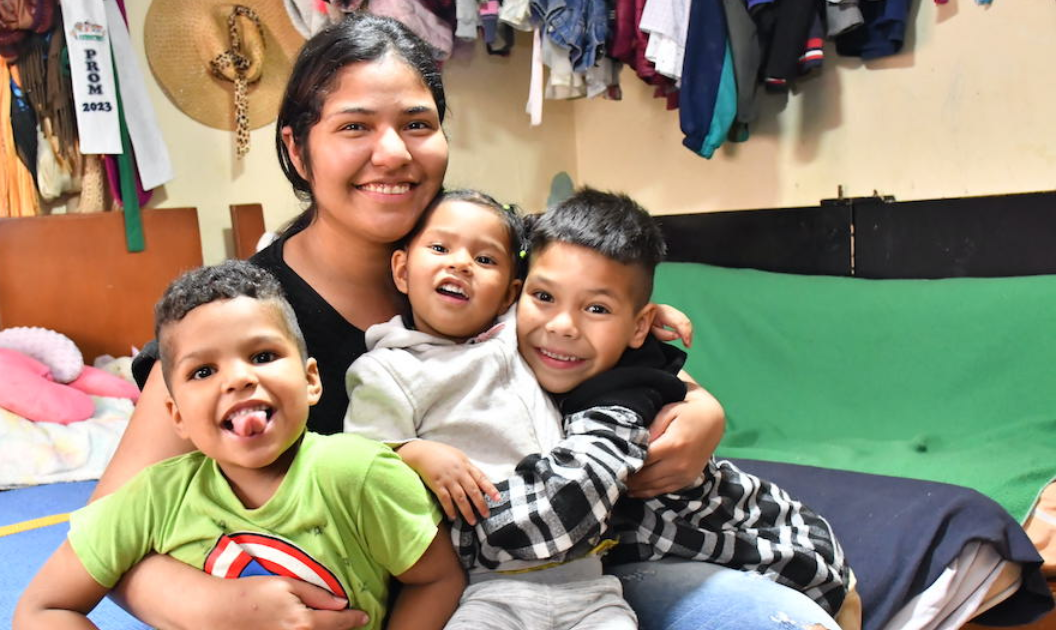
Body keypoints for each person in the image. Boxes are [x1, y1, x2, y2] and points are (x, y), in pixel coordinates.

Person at [94, 13, 805, 630]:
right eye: (354, 127)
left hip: (573, 575)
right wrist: (207, 607)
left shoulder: (491, 254)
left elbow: (611, 345)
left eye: (417, 124)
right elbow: (107, 531)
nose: (394, 153)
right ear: (295, 150)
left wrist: (700, 406)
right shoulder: (245, 316)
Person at [345, 187, 851, 629]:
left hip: (735, 535)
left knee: (826, 603)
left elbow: (558, 514)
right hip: (574, 564)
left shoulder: (607, 390)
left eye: (597, 309)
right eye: (544, 298)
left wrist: (668, 358)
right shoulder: (475, 343)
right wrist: (414, 453)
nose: (563, 325)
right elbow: (362, 454)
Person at [15, 261, 465, 630]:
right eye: (204, 372)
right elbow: (42, 609)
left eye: (262, 356)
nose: (238, 378)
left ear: (311, 380)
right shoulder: (152, 498)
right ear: (176, 416)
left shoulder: (361, 475)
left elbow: (438, 580)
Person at [343, 188, 663, 628]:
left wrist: (659, 317)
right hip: (488, 587)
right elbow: (358, 459)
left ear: (510, 294)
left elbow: (582, 306)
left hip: (589, 585)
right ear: (401, 270)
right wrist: (412, 452)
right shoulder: (386, 369)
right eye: (440, 248)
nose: (459, 263)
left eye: (485, 260)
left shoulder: (516, 334)